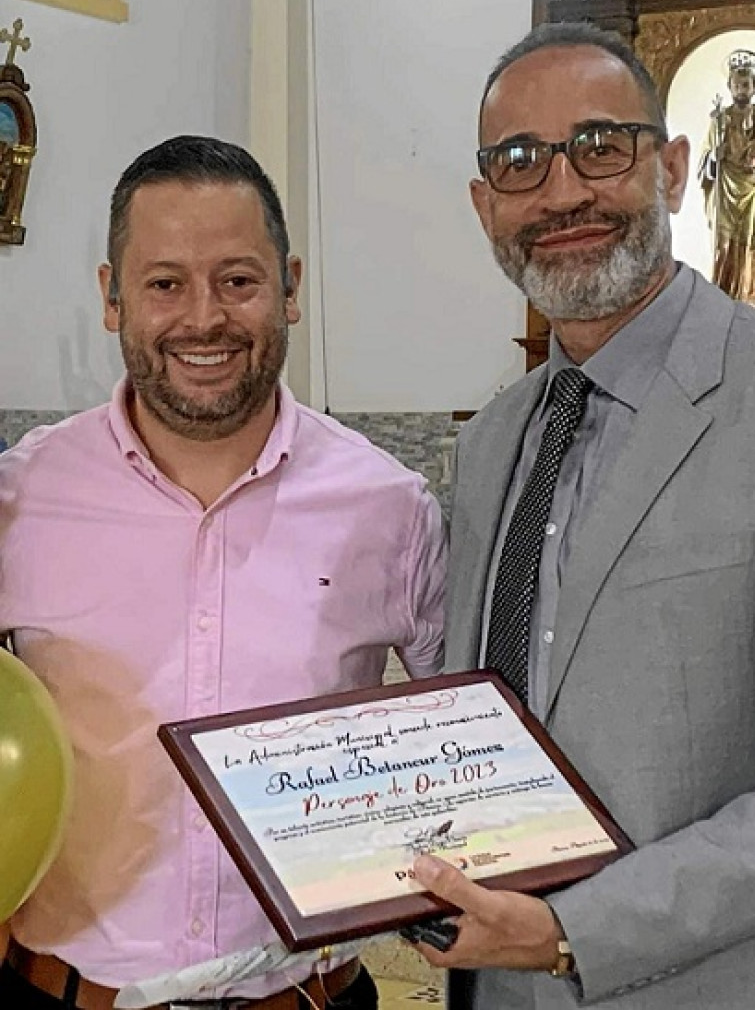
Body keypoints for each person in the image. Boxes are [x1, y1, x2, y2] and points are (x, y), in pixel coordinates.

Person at [405, 22, 755, 1009]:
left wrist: (575, 932)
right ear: (486, 206)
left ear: (676, 167)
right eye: (520, 162)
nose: (562, 192)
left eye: (602, 145)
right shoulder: (491, 444)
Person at [0, 135, 447, 1009]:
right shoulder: (20, 500)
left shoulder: (388, 508)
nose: (203, 317)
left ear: (290, 290)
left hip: (307, 997)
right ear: (111, 297)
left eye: (238, 281)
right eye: (164, 283)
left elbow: (469, 744)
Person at [698, 51, 755, 311]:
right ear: (729, 87)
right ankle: (726, 294)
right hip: (728, 187)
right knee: (725, 242)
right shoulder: (720, 119)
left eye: (746, 84)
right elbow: (705, 158)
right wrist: (713, 159)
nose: (741, 89)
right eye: (736, 85)